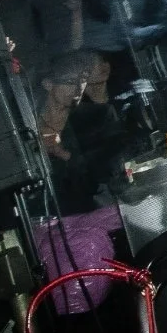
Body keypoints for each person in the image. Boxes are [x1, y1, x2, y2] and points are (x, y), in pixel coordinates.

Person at [36, 50, 133, 215]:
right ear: (48, 84)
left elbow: (108, 172)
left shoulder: (98, 117)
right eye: (70, 81)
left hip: (89, 210)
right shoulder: (29, 121)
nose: (78, 89)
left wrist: (64, 155)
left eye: (82, 81)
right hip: (44, 212)